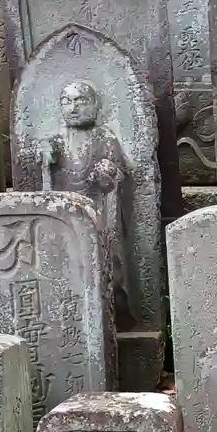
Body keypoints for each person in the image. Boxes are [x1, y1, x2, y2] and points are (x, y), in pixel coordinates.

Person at [45, 81, 132, 326]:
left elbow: (120, 174)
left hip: (99, 209)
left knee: (107, 262)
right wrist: (45, 161)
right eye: (67, 102)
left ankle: (114, 312)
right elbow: (46, 180)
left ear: (95, 105)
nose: (73, 108)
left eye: (80, 101)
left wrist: (109, 171)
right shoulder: (56, 141)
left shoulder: (105, 137)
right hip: (65, 215)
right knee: (66, 263)